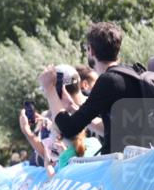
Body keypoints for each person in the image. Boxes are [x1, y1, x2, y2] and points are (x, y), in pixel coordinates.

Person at [41, 23, 147, 155]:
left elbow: (68, 128)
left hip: (120, 168)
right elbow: (111, 131)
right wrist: (73, 108)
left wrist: (49, 89)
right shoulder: (134, 73)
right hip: (141, 162)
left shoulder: (108, 81)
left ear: (91, 51)